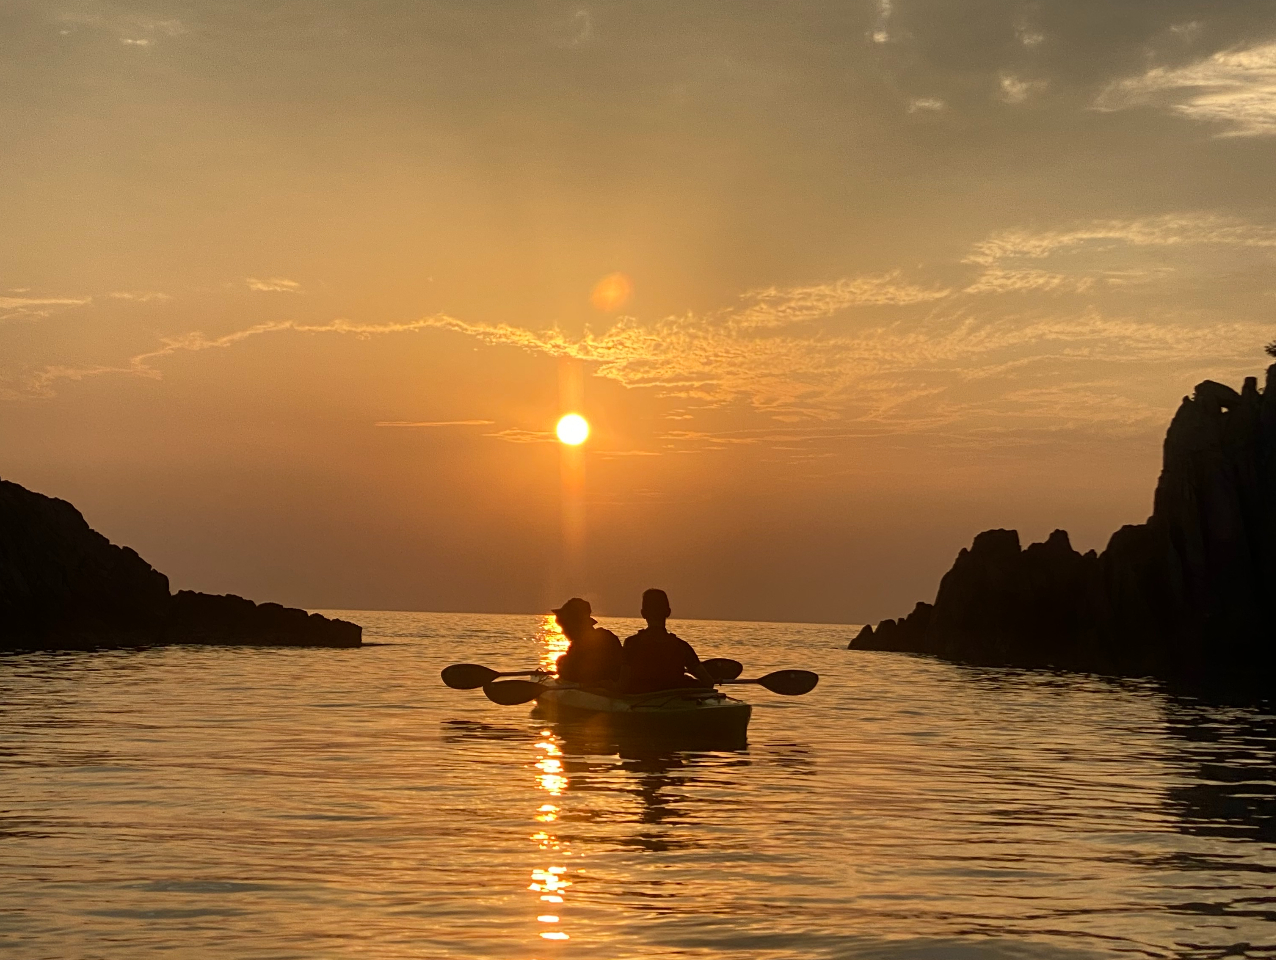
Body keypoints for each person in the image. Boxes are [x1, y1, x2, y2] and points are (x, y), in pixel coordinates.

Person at [619, 589, 715, 694]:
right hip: (677, 702)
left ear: (643, 613)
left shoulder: (632, 644)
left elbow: (622, 685)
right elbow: (708, 682)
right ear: (668, 612)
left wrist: (604, 685)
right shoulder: (682, 646)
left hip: (641, 701)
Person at [552, 597, 623, 687]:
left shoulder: (583, 643)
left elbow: (570, 672)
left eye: (564, 626)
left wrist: (560, 662)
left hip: (599, 691)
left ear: (574, 624)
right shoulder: (607, 636)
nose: (563, 631)